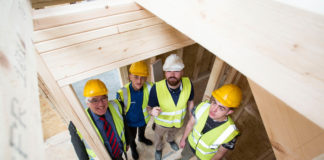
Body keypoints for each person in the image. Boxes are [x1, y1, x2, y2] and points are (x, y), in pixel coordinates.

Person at [147, 54, 195, 160]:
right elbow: (149, 107)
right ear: (165, 73)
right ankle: (158, 149)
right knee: (158, 137)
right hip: (161, 124)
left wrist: (191, 117)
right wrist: (151, 112)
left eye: (176, 71)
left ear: (182, 71)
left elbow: (190, 101)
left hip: (178, 122)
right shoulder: (156, 88)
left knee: (172, 134)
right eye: (169, 71)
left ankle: (170, 140)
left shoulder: (189, 84)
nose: (172, 74)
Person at [179, 84, 242, 160]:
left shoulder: (230, 132)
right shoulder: (202, 107)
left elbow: (220, 153)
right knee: (184, 158)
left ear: (229, 112)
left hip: (204, 157)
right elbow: (190, 124)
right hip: (190, 145)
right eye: (214, 102)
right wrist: (183, 139)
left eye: (221, 108)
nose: (213, 109)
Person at [70, 79, 128, 160]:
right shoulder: (77, 123)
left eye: (104, 98)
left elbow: (124, 124)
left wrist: (127, 142)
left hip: (118, 154)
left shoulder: (116, 106)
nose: (101, 104)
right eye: (94, 100)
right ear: (87, 103)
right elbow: (81, 153)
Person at [117, 61, 153, 160]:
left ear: (146, 78)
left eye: (143, 77)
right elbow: (119, 113)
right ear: (129, 76)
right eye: (136, 77)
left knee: (142, 131)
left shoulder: (150, 87)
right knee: (131, 138)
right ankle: (133, 148)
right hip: (130, 123)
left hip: (143, 119)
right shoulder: (122, 92)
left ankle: (142, 138)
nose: (139, 81)